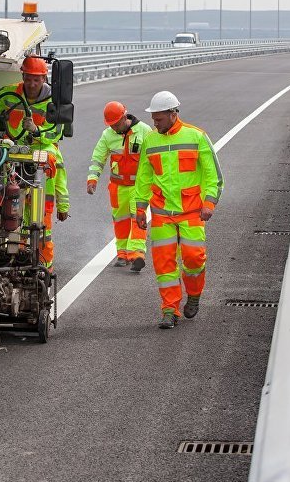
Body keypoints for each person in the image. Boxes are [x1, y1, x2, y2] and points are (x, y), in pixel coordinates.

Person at [0, 56, 68, 269]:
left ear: (44, 79)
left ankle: (43, 266)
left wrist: (37, 131)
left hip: (38, 153)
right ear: (23, 76)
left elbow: (57, 132)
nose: (32, 84)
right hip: (10, 154)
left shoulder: (53, 102)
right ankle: (9, 257)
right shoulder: (10, 94)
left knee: (40, 223)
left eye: (36, 80)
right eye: (28, 78)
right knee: (5, 210)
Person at [134, 91, 223, 329]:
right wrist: (140, 208)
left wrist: (209, 203)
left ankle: (194, 295)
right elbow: (143, 176)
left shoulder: (197, 136)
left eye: (159, 119)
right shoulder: (150, 141)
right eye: (153, 119)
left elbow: (214, 175)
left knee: (194, 259)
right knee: (164, 265)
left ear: (173, 114)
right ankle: (169, 310)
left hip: (193, 212)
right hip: (162, 214)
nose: (155, 123)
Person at [87, 101, 154, 271]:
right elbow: (98, 157)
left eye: (116, 124)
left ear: (125, 117)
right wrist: (92, 179)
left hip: (139, 186)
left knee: (137, 217)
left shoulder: (144, 131)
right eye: (111, 125)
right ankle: (122, 254)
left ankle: (137, 254)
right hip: (117, 187)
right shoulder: (108, 135)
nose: (114, 128)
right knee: (120, 221)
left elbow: (154, 158)